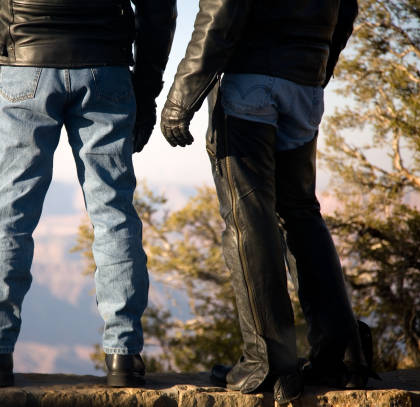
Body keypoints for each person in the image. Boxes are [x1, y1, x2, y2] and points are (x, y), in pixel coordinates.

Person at [0, 0, 176, 387]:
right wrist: (146, 88)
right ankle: (123, 357)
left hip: (26, 66)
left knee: (9, 217)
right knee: (114, 215)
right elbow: (159, 8)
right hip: (107, 71)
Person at [160, 0, 374, 404]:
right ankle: (342, 356)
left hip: (251, 84)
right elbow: (346, 11)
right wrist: (315, 71)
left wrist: (179, 101)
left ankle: (268, 362)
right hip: (305, 84)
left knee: (249, 219)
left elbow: (220, 12)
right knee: (302, 214)